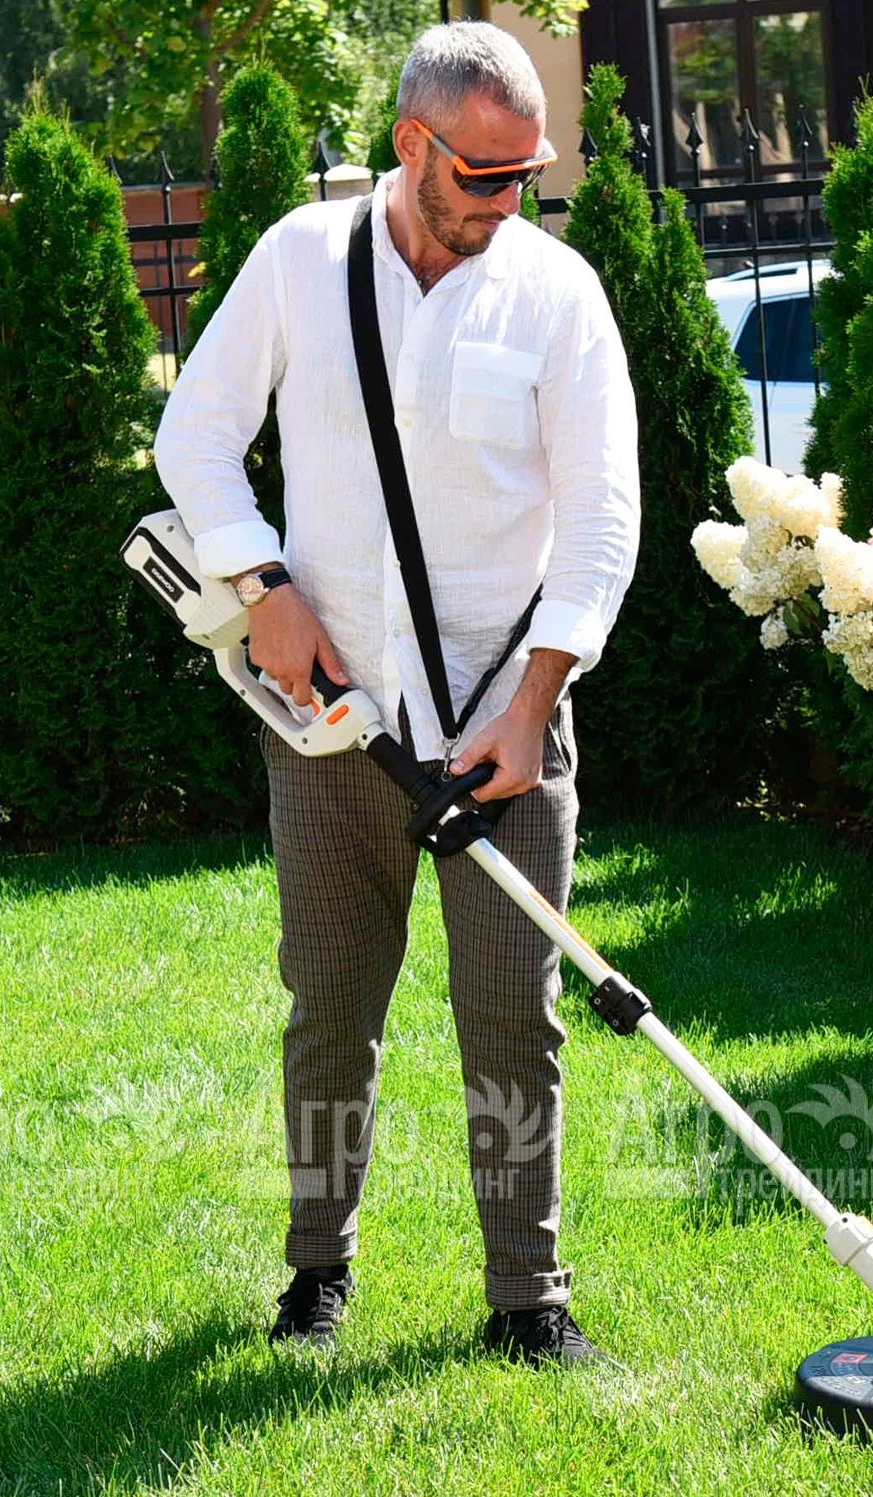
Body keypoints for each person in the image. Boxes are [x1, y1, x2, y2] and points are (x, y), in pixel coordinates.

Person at [152, 21, 640, 1366]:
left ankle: (528, 1299)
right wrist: (265, 589)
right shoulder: (300, 263)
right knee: (331, 1008)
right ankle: (317, 1274)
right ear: (410, 144)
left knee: (516, 1019)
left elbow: (602, 519)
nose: (511, 200)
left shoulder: (557, 295)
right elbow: (196, 437)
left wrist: (532, 709)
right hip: (332, 725)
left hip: (504, 725)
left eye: (528, 174)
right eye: (484, 175)